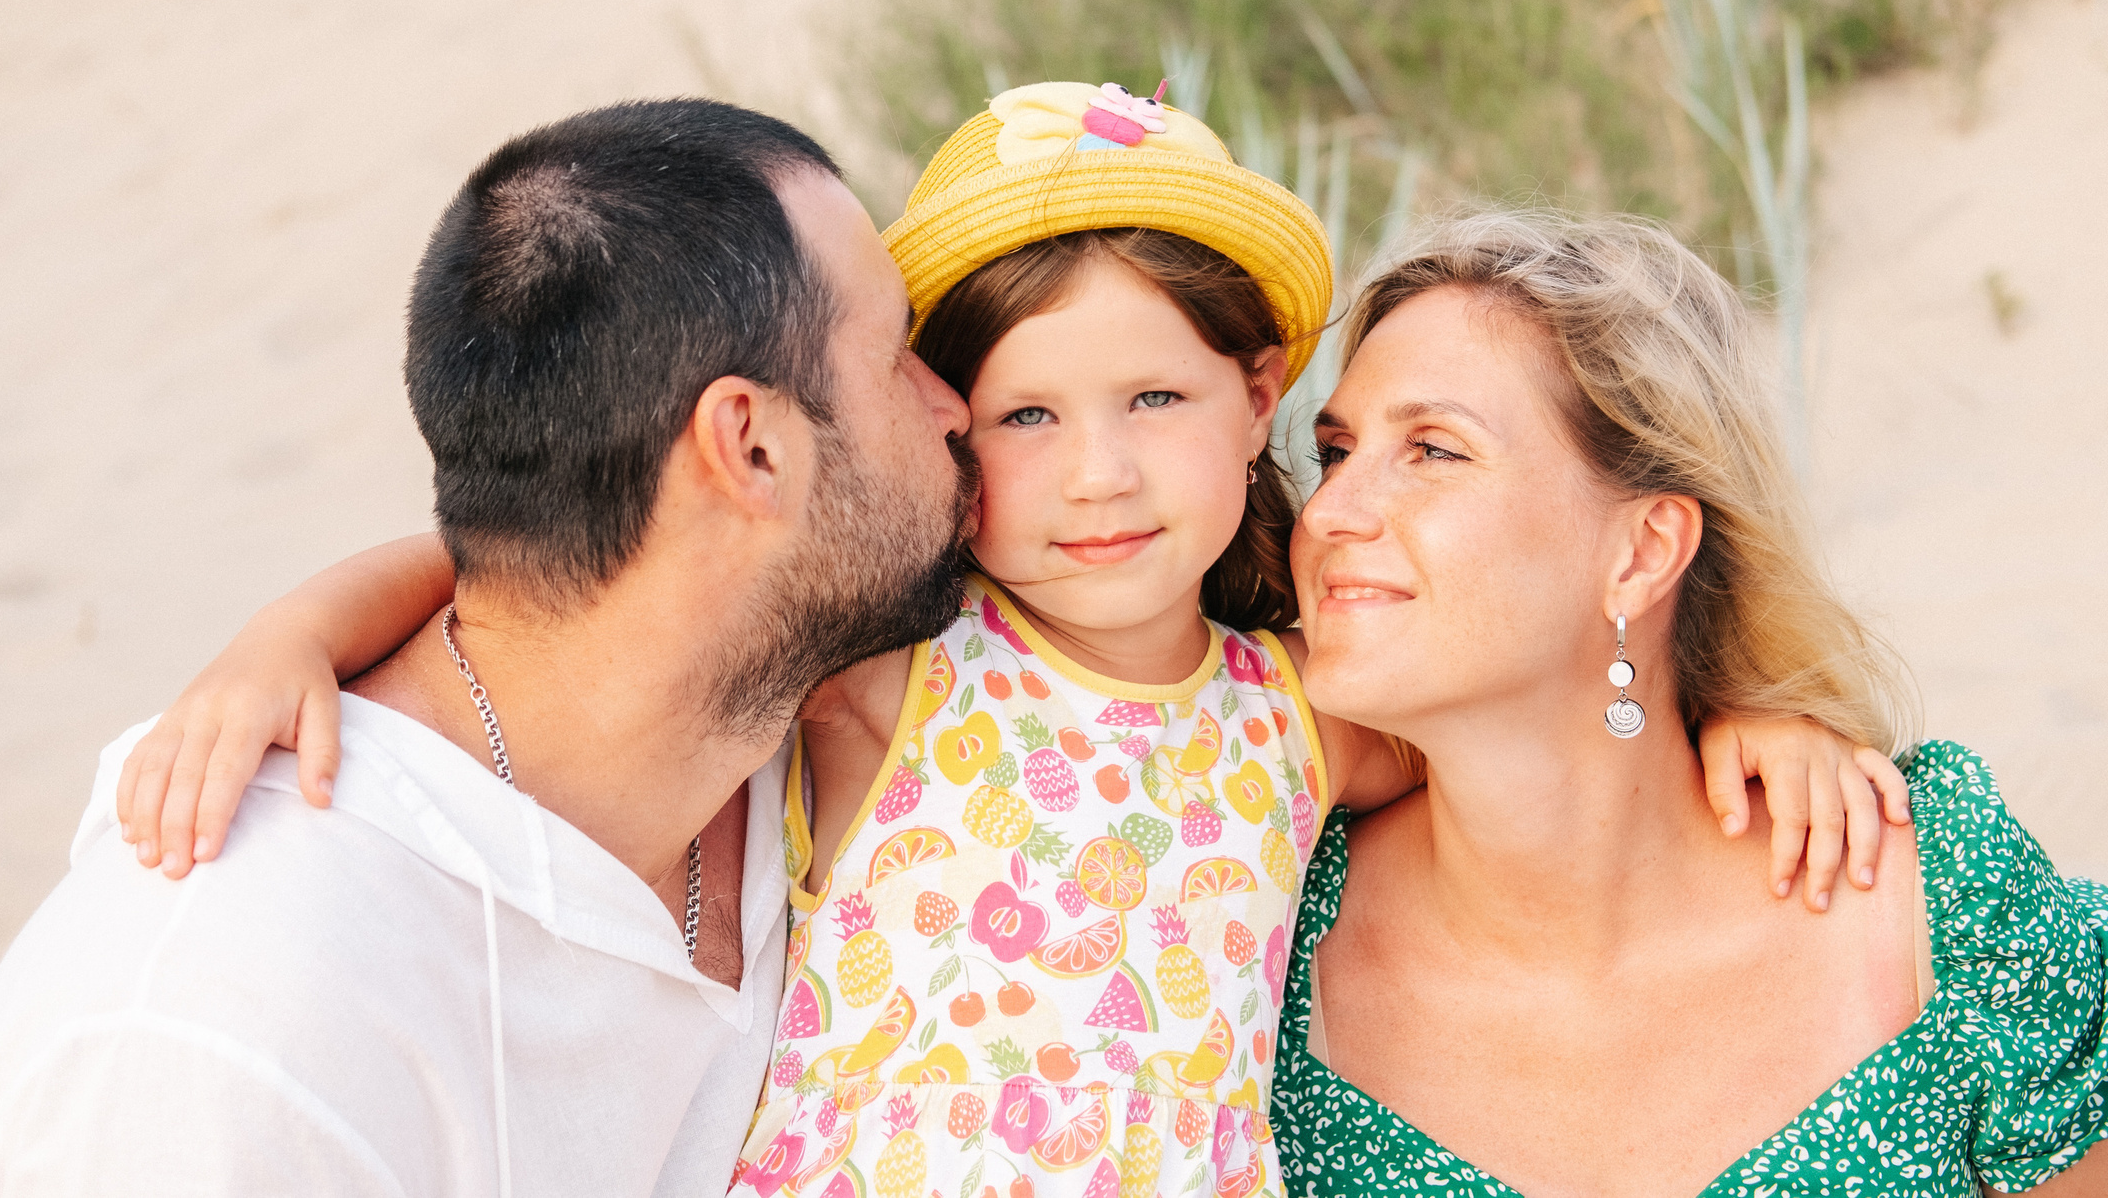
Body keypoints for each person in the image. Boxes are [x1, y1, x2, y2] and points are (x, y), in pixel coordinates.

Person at [116, 85, 1910, 1198]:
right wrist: (299, 627)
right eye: (1028, 416)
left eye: (1153, 398)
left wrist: (1747, 711)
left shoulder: (1300, 718)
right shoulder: (892, 674)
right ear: (945, 433)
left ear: (1258, 396)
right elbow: (592, 565)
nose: (1098, 473)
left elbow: (1545, 721)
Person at [0, 100, 978, 1196]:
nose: (953, 408)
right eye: (894, 354)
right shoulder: (231, 1046)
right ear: (750, 447)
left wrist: (311, 617)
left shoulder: (798, 699)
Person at [1273, 209, 2108, 1197]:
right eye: (1335, 452)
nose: (1329, 512)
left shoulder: (1944, 915)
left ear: (1643, 551)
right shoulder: (1255, 920)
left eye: (1434, 450)